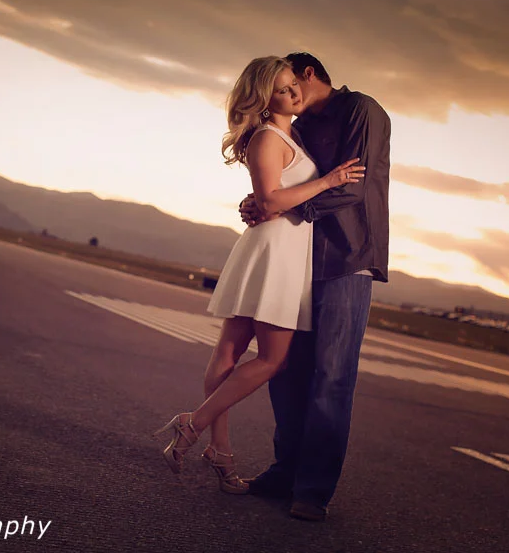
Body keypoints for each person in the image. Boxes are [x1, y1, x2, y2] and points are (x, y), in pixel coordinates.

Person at [153, 56, 365, 495]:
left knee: (230, 354)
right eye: (283, 89)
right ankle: (195, 426)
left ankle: (221, 449)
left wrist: (279, 195)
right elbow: (270, 202)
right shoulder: (267, 138)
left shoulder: (288, 135)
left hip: (281, 250)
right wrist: (327, 182)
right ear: (263, 98)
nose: (293, 94)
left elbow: (269, 197)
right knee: (272, 359)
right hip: (273, 254)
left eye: (293, 86)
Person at [238, 52, 391, 521]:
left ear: (307, 74)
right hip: (295, 257)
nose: (285, 94)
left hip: (347, 258)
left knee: (331, 376)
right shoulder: (296, 123)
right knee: (284, 369)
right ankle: (285, 472)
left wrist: (281, 208)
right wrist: (258, 200)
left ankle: (313, 490)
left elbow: (352, 187)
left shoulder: (363, 111)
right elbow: (283, 182)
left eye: (289, 84)